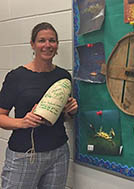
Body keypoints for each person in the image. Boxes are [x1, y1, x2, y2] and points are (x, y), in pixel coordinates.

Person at [0, 22, 78, 189]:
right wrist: (22, 122)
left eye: (52, 40)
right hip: (25, 154)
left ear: (57, 45)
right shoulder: (16, 77)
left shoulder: (63, 76)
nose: (47, 45)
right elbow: (0, 117)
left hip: (58, 153)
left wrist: (70, 112)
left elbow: (59, 116)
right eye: (42, 40)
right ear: (32, 44)